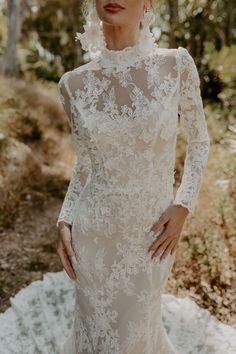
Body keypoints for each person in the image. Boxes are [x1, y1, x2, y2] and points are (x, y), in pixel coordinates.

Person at [56, 0, 210, 353]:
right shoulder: (73, 85)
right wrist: (65, 219)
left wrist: (183, 204)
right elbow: (85, 165)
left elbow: (200, 141)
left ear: (149, 3)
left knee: (135, 338)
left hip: (151, 236)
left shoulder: (176, 65)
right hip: (92, 237)